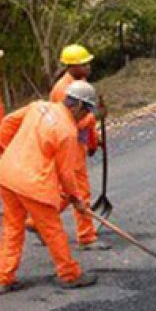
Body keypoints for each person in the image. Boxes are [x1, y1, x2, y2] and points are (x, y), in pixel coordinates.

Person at [0, 82, 101, 293]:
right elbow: (66, 174)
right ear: (78, 105)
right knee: (53, 230)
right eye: (86, 110)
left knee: (12, 228)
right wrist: (76, 200)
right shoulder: (67, 132)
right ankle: (69, 274)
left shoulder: (38, 106)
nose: (85, 116)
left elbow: (7, 123)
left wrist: (8, 150)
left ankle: (3, 277)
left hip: (7, 175)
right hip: (32, 183)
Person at [50, 45, 109, 252]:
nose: (89, 67)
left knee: (69, 192)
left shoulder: (80, 84)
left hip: (78, 144)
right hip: (69, 146)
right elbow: (70, 125)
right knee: (79, 191)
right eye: (85, 64)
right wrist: (95, 116)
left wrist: (94, 140)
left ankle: (37, 221)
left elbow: (85, 122)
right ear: (72, 66)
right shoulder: (63, 90)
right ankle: (86, 236)